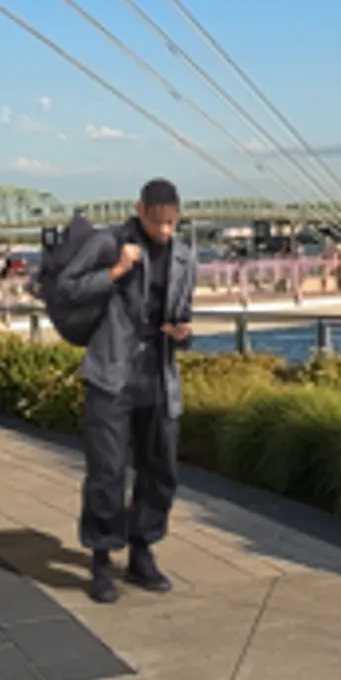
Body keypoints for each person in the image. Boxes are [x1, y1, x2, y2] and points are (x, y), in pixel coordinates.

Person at [56, 178, 196, 604]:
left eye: (172, 222)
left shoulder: (185, 257)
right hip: (111, 374)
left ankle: (142, 551)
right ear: (140, 210)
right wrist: (115, 271)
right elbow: (67, 287)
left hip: (158, 375)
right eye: (157, 222)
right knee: (107, 471)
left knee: (160, 469)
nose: (165, 231)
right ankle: (102, 558)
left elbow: (183, 314)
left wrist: (183, 333)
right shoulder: (109, 242)